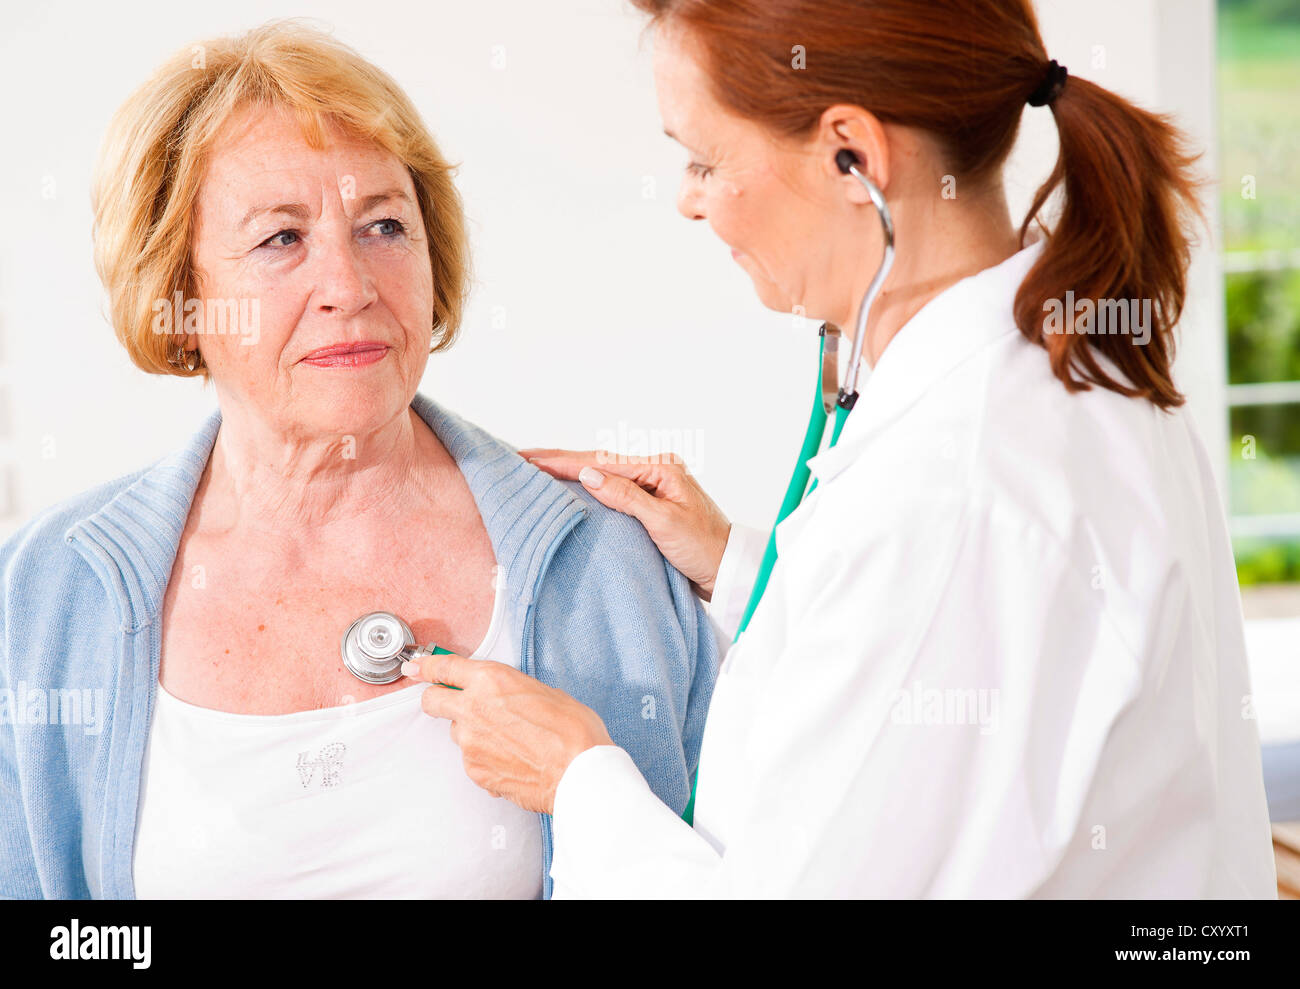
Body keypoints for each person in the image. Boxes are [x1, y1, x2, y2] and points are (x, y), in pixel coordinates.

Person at [402, 0, 1278, 897]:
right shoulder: (1066, 368)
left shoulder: (954, 493)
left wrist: (576, 777)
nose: (688, 199)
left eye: (703, 159)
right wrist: (746, 568)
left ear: (851, 155)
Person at [0, 20, 717, 900]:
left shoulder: (610, 562)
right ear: (181, 294)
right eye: (281, 239)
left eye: (383, 225)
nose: (350, 285)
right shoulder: (40, 598)